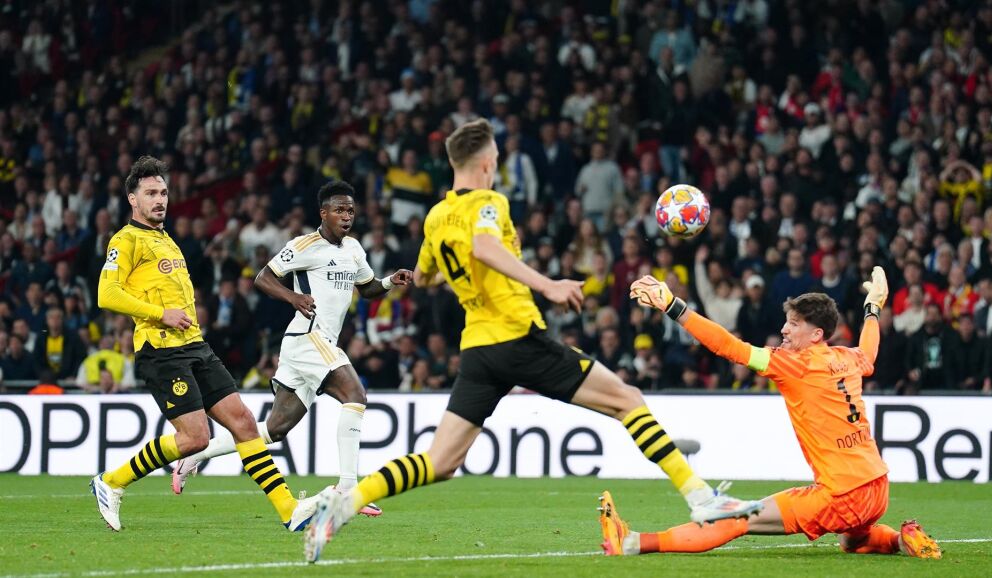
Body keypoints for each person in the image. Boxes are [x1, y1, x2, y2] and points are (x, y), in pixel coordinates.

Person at [303, 119, 760, 562]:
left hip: (478, 349)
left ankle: (343, 504)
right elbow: (484, 247)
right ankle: (701, 499)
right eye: (496, 158)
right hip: (518, 335)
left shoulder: (437, 216)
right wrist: (549, 285)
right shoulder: (489, 202)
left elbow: (423, 276)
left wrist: (446, 275)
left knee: (440, 462)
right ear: (485, 162)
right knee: (628, 400)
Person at [597, 267, 941, 559]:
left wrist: (672, 305)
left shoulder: (793, 364)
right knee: (853, 540)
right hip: (877, 487)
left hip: (841, 494)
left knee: (738, 517)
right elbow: (869, 349)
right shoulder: (848, 358)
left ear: (816, 334)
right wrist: (873, 307)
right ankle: (902, 539)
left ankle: (632, 542)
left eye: (794, 324)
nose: (785, 330)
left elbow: (729, 347)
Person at [91, 156, 324, 532]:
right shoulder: (125, 240)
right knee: (195, 438)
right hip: (161, 351)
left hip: (195, 346)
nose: (160, 200)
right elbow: (106, 294)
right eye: (150, 193)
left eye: (163, 192)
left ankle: (289, 509)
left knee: (244, 422)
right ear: (132, 199)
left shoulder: (165, 239)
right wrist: (159, 313)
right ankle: (112, 481)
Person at [172, 180, 411, 518]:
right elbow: (263, 277)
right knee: (355, 394)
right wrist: (293, 297)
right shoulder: (304, 245)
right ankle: (347, 487)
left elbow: (366, 287)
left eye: (351, 210)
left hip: (314, 345)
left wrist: (388, 281)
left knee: (275, 429)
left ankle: (196, 455)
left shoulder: (354, 248)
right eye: (340, 210)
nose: (347, 216)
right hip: (308, 337)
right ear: (323, 213)